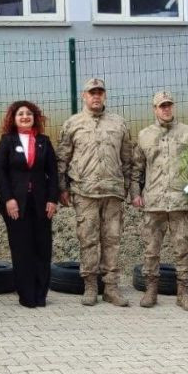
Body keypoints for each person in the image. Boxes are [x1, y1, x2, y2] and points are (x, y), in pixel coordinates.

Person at [57, 77, 134, 306]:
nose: (96, 96)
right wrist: (62, 188)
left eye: (100, 92)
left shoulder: (118, 123)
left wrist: (128, 188)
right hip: (85, 192)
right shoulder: (73, 124)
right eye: (92, 93)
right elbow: (62, 159)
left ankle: (111, 288)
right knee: (88, 240)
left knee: (112, 240)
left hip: (112, 192)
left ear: (105, 95)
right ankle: (90, 286)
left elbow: (127, 159)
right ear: (84, 96)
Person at [131, 91, 188, 311]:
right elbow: (137, 169)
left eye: (169, 105)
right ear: (155, 109)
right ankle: (151, 291)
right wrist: (136, 193)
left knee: (182, 249)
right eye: (162, 106)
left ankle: (183, 293)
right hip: (154, 204)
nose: (166, 109)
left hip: (180, 202)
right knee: (151, 250)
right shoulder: (144, 135)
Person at [0, 100, 58, 309]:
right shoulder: (7, 141)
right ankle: (26, 294)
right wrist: (8, 199)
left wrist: (52, 199)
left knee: (42, 248)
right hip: (16, 205)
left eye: (29, 114)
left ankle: (41, 294)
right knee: (22, 249)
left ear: (35, 118)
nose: (25, 117)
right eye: (20, 114)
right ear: (13, 118)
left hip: (41, 204)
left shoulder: (44, 141)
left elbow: (53, 174)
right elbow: (1, 173)